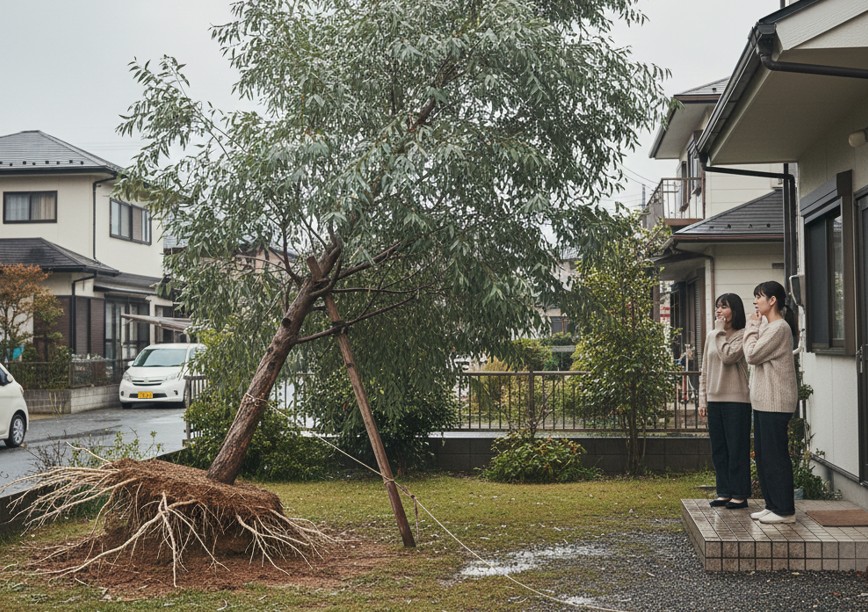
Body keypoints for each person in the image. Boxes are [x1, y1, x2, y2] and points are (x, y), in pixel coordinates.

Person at [743, 280, 799, 524]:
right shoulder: (770, 327)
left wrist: (752, 326)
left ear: (772, 300)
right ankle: (772, 505)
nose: (755, 301)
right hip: (764, 402)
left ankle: (785, 510)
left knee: (775, 456)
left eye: (759, 296)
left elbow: (752, 354)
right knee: (764, 456)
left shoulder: (779, 328)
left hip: (776, 402)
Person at [698, 293, 751, 509]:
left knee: (737, 447)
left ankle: (739, 494)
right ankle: (724, 492)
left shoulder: (743, 335)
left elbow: (728, 356)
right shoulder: (712, 335)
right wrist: (703, 399)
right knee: (719, 448)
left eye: (724, 307)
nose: (719, 310)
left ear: (735, 311)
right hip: (714, 399)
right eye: (718, 306)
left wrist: (720, 332)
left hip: (738, 400)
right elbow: (705, 369)